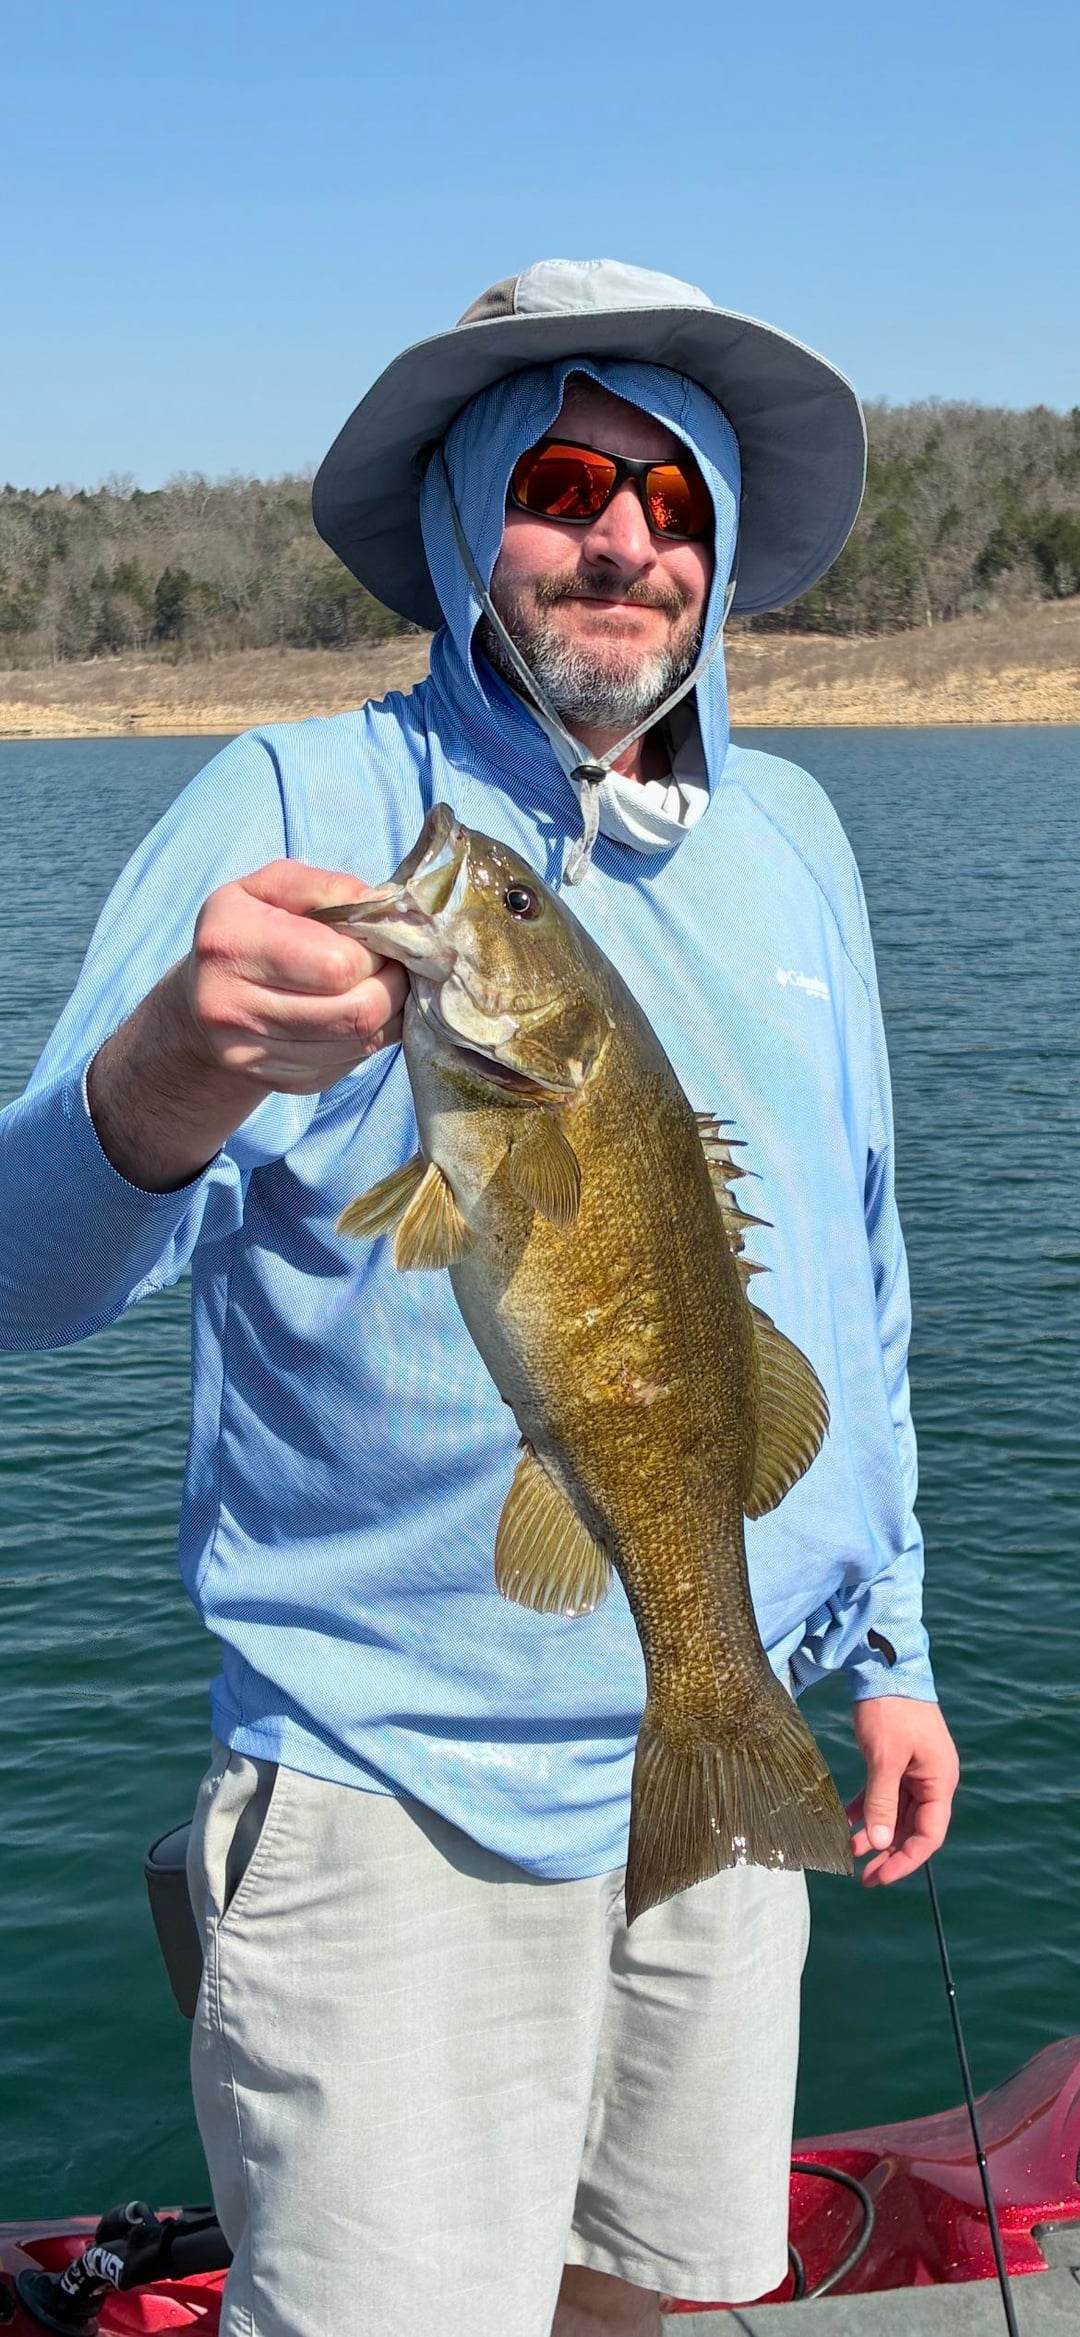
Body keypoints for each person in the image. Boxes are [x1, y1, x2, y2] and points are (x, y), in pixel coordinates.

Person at [0, 258, 960, 2337]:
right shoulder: (291, 808)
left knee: (642, 2302)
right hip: (395, 1793)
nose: (625, 541)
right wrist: (169, 1067)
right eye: (561, 484)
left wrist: (891, 1641)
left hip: (733, 1739)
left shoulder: (796, 837)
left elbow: (860, 1266)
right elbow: (19, 1280)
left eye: (673, 501)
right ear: (460, 522)